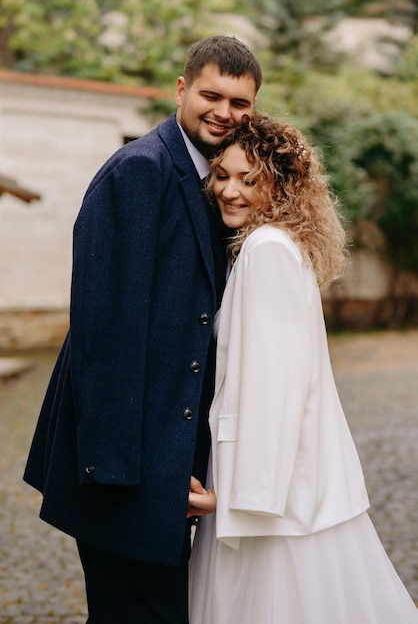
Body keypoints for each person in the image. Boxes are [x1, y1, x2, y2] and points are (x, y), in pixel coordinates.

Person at [23, 36, 262, 624]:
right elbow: (105, 333)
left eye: (241, 104)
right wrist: (120, 474)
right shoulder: (139, 172)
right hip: (123, 467)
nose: (225, 113)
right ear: (181, 89)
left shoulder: (213, 177)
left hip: (167, 454)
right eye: (212, 95)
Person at [188, 112, 418, 623]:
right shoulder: (268, 244)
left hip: (264, 491)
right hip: (270, 478)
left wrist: (243, 500)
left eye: (249, 180)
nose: (229, 191)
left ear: (280, 184)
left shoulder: (265, 250)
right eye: (221, 176)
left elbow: (277, 385)